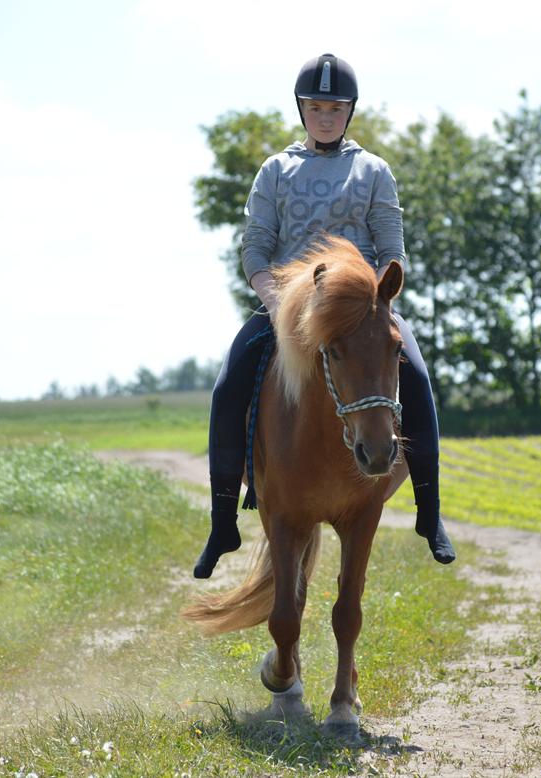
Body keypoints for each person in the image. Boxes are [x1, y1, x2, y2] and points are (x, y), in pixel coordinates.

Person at [193, 53, 456, 579]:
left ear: (350, 112)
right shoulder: (276, 170)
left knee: (420, 380)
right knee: (229, 386)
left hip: (364, 310)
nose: (326, 117)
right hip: (286, 307)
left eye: (335, 108)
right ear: (302, 111)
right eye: (316, 107)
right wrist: (273, 300)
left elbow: (392, 248)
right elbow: (256, 247)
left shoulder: (373, 170)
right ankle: (224, 520)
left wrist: (377, 299)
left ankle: (430, 514)